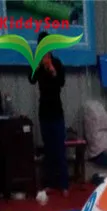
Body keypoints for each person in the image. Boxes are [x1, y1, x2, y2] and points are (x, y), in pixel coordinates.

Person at [29, 31, 69, 196]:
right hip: (44, 112)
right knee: (49, 149)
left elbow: (61, 82)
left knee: (60, 149)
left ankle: (64, 184)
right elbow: (31, 79)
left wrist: (52, 70)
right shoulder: (37, 63)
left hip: (57, 112)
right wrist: (38, 66)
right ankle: (51, 183)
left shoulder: (57, 63)